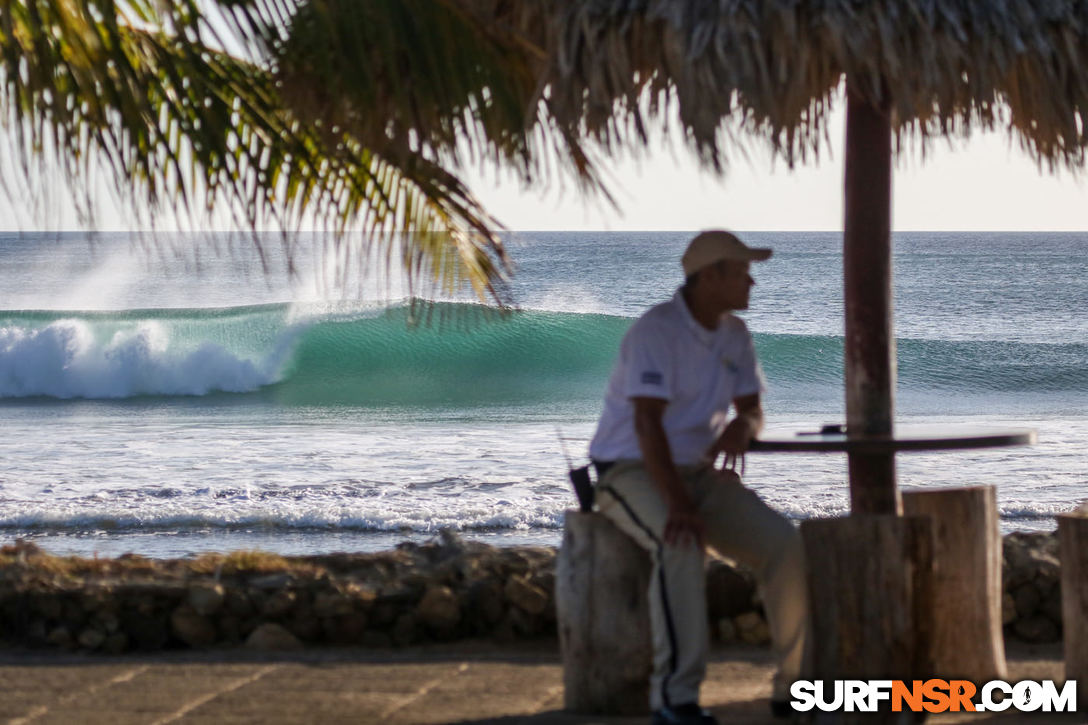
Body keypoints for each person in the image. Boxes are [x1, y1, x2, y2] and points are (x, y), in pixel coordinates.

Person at [588, 230, 807, 724]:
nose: (752, 281)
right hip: (630, 470)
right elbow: (646, 424)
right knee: (679, 544)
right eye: (742, 271)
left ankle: (794, 687)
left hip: (699, 473)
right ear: (711, 276)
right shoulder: (656, 330)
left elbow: (753, 409)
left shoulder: (735, 335)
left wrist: (741, 427)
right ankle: (675, 700)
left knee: (786, 546)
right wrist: (680, 504)